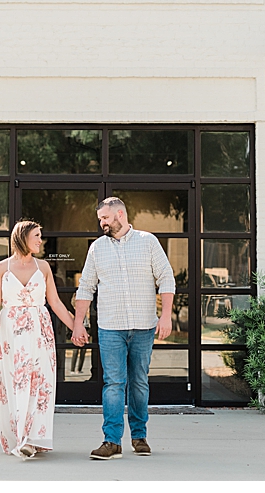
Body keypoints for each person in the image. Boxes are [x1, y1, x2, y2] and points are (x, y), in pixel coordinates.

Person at [71, 197, 175, 460]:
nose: (102, 223)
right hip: (110, 328)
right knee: (114, 383)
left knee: (139, 383)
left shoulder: (148, 242)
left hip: (143, 326)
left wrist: (165, 316)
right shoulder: (97, 249)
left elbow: (166, 277)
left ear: (120, 214)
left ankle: (139, 437)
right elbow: (86, 288)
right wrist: (78, 324)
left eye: (105, 218)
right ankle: (111, 441)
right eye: (100, 219)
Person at [0, 220, 75, 458]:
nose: (40, 240)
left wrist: (76, 328)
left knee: (41, 383)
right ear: (23, 238)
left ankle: (33, 438)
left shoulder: (44, 268)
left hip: (40, 332)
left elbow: (56, 303)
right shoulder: (1, 269)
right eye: (36, 235)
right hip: (10, 334)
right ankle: (20, 436)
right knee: (15, 383)